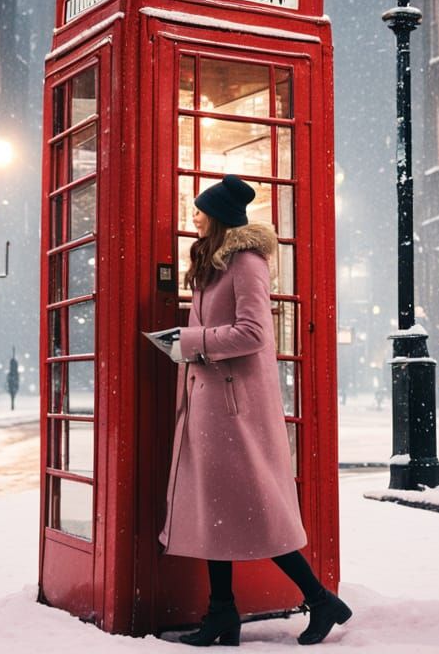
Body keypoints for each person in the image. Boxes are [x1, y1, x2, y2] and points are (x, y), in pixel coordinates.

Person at [160, 174, 352, 647]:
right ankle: (221, 613)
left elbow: (253, 334)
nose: (194, 216)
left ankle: (319, 598)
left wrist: (188, 342)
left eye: (200, 210)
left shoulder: (247, 263)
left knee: (256, 510)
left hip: (235, 412)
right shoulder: (211, 263)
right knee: (214, 512)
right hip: (207, 407)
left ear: (220, 217)